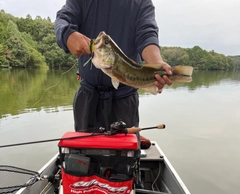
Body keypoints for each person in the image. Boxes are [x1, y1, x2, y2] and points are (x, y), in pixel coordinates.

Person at [55, 0, 172, 133]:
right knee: (85, 152)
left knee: (123, 152)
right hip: (88, 98)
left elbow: (147, 35)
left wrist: (157, 64)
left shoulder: (141, 3)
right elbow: (63, 19)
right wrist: (67, 35)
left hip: (125, 100)